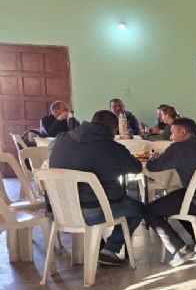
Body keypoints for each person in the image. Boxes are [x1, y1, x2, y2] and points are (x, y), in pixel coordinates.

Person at [48, 110, 144, 266]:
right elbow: (136, 168)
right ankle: (110, 250)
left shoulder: (61, 138)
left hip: (62, 210)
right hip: (93, 212)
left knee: (101, 199)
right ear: (113, 129)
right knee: (138, 208)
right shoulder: (113, 148)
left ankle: (97, 247)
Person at [142, 118, 196, 267]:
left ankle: (181, 249)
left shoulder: (177, 148)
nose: (171, 137)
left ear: (183, 132)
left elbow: (153, 167)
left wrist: (153, 157)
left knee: (148, 210)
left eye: (172, 132)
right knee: (176, 199)